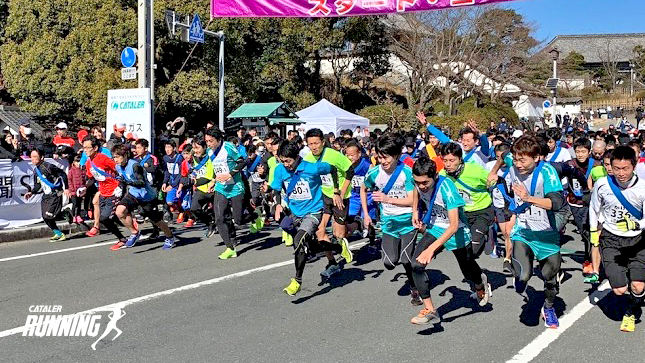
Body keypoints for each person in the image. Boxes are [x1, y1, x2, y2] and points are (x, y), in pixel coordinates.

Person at [410, 156, 491, 324]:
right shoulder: (418, 182)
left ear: (435, 177)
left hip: (457, 231)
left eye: (425, 183)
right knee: (416, 265)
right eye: (418, 182)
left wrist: (431, 249)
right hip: (435, 227)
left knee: (468, 270)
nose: (421, 186)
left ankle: (479, 283)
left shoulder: (447, 188)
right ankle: (431, 310)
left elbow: (453, 226)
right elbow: (415, 191)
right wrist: (415, 212)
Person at [267, 140, 352, 296]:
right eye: (282, 160)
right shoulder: (279, 170)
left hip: (313, 212)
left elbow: (332, 169)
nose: (286, 164)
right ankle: (337, 248)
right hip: (295, 212)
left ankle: (297, 281)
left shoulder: (311, 167)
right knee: (306, 243)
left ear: (297, 157)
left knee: (298, 241)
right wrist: (278, 204)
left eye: (288, 161)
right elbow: (276, 190)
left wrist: (336, 191)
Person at [507, 135, 565, 329]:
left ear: (537, 157)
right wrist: (493, 173)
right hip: (523, 232)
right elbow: (503, 156)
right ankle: (521, 279)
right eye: (515, 159)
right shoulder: (513, 162)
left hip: (547, 233)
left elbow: (556, 203)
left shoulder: (547, 173)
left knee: (550, 278)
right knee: (523, 276)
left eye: (523, 160)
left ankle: (548, 307)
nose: (518, 164)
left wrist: (528, 198)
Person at [589, 146, 645, 332]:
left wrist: (638, 225)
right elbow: (594, 209)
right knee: (619, 289)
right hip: (611, 239)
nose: (621, 173)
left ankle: (631, 311)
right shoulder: (603, 184)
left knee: (637, 286)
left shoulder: (642, 187)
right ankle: (627, 292)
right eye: (616, 168)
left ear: (634, 166)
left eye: (626, 168)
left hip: (637, 241)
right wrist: (593, 233)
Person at [361, 134, 419, 304]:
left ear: (396, 156)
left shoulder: (407, 173)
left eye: (386, 157)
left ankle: (415, 288)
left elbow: (412, 199)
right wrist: (366, 214)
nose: (383, 161)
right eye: (379, 157)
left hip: (407, 221)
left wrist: (388, 199)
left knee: (406, 259)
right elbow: (363, 189)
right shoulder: (374, 173)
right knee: (389, 262)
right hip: (388, 223)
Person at [303, 128, 355, 277]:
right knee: (319, 230)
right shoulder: (308, 158)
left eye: (316, 143)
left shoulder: (333, 155)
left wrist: (341, 193)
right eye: (310, 144)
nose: (314, 147)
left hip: (340, 195)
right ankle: (332, 263)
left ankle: (353, 226)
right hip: (324, 197)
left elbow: (350, 171)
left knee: (339, 233)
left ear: (323, 142)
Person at [112, 144, 177, 250]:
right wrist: (119, 186)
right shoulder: (118, 166)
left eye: (117, 156)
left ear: (125, 156)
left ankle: (170, 237)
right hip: (133, 194)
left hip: (146, 195)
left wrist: (127, 182)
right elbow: (123, 179)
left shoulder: (135, 166)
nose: (115, 159)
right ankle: (134, 233)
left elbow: (141, 183)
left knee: (156, 220)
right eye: (114, 157)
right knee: (119, 211)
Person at [205, 128, 254, 260]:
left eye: (211, 141)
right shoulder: (210, 152)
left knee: (239, 220)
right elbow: (217, 169)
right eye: (207, 141)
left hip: (236, 187)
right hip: (221, 189)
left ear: (218, 140)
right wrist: (213, 181)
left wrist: (230, 174)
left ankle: (255, 216)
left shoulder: (228, 147)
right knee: (219, 218)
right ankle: (230, 248)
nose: (208, 144)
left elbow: (242, 161)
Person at [440, 142, 495, 258]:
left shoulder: (475, 170)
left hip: (481, 211)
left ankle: (484, 235)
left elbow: (493, 180)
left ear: (460, 159)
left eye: (452, 160)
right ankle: (476, 275)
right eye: (445, 161)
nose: (448, 164)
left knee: (473, 250)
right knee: (464, 253)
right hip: (461, 215)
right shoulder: (442, 175)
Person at [79, 136, 128, 250]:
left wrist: (121, 185)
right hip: (103, 192)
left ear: (95, 148)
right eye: (84, 147)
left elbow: (118, 169)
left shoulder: (103, 158)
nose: (85, 150)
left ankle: (128, 235)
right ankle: (125, 235)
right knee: (105, 218)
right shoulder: (88, 163)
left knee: (105, 218)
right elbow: (92, 178)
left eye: (87, 147)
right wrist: (85, 188)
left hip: (114, 190)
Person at [24, 148, 71, 241]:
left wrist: (66, 188)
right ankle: (58, 233)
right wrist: (31, 192)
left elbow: (63, 174)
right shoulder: (36, 170)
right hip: (46, 196)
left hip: (55, 194)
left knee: (48, 215)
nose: (32, 159)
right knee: (45, 217)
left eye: (35, 157)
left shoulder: (48, 166)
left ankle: (65, 212)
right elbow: (38, 185)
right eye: (31, 157)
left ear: (41, 157)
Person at [68, 154, 86, 224]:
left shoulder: (82, 170)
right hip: (73, 191)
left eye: (79, 162)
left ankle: (78, 215)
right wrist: (72, 189)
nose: (78, 163)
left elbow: (84, 180)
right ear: (74, 162)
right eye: (77, 162)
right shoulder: (71, 170)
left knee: (79, 204)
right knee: (74, 204)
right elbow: (69, 180)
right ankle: (73, 216)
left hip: (80, 191)